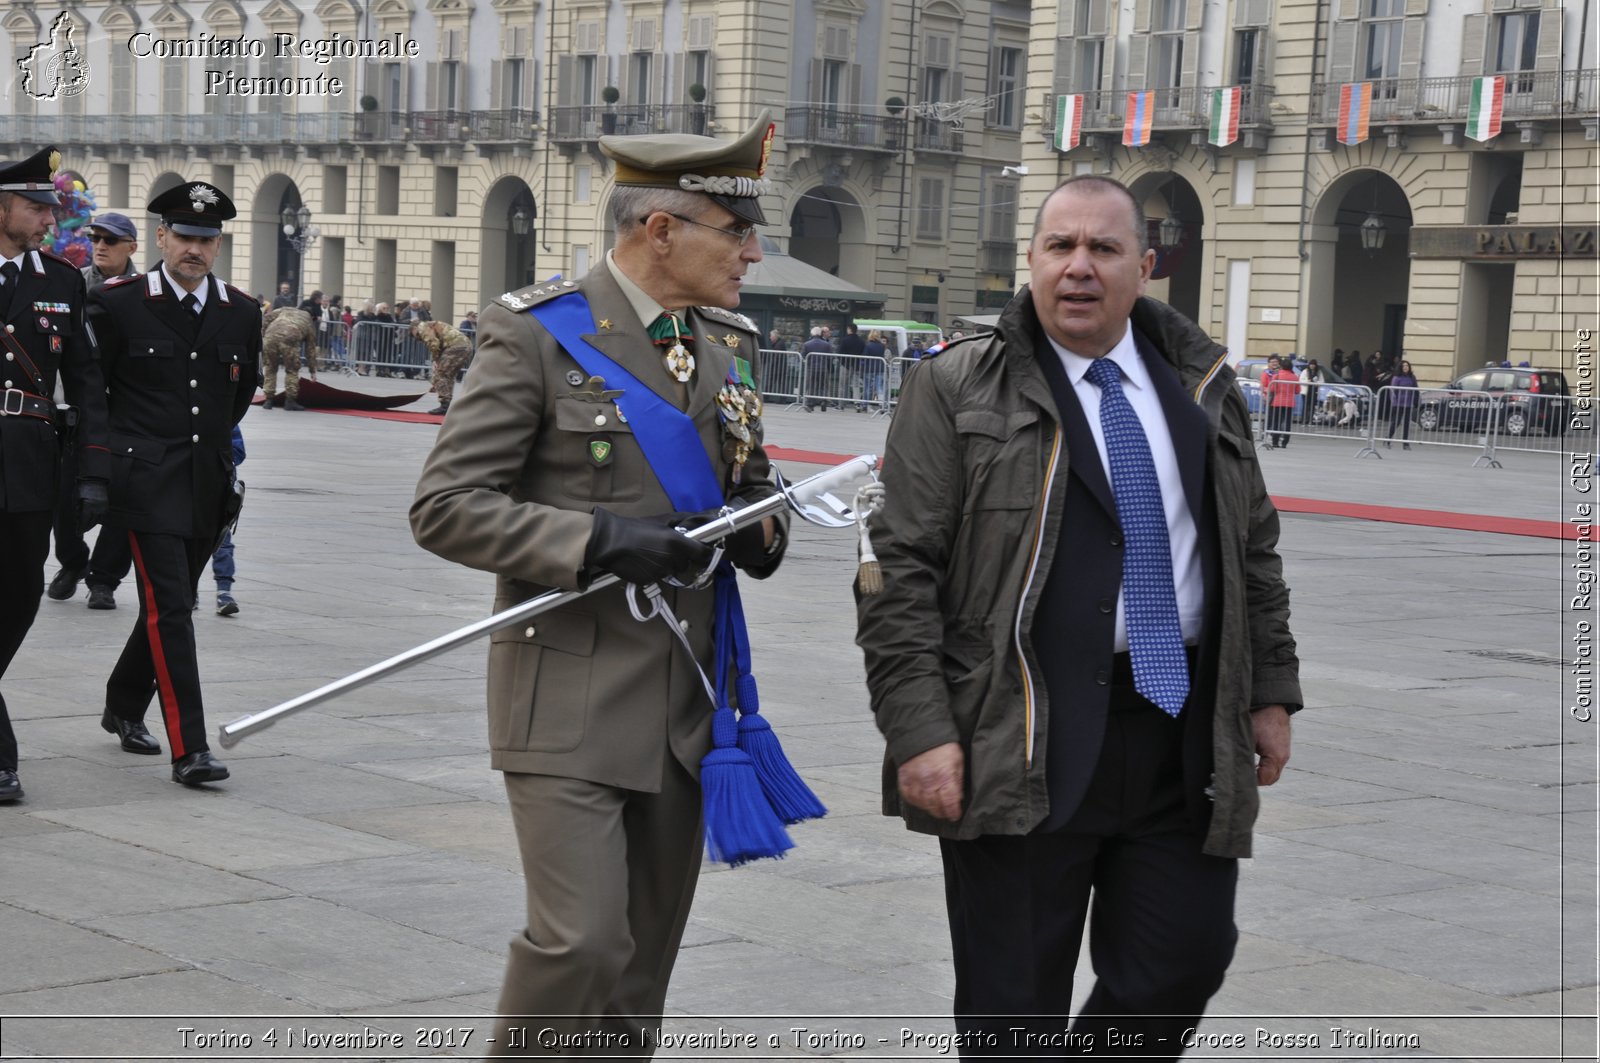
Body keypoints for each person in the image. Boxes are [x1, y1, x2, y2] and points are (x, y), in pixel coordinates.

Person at [856, 175, 1300, 1059]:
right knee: (1011, 1007)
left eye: (1103, 248)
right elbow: (897, 570)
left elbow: (1252, 550)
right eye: (1060, 247)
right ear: (1032, 261)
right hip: (1022, 731)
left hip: (1177, 726)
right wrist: (919, 730)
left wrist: (1271, 689)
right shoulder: (955, 385)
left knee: (1185, 958)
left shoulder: (1203, 382)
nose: (1079, 268)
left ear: (1145, 264)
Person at [411, 110, 790, 1058]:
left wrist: (762, 526)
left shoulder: (728, 344)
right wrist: (598, 539)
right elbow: (447, 505)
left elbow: (751, 481)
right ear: (659, 230)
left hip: (688, 702)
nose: (752, 249)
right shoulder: (535, 334)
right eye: (734, 229)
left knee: (638, 971)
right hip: (568, 693)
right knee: (581, 940)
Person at [88, 179, 260, 786]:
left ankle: (122, 702)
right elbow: (94, 395)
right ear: (160, 237)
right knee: (172, 611)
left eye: (206, 240)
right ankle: (189, 749)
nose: (195, 249)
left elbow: (236, 396)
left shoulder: (240, 311)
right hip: (145, 478)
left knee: (173, 604)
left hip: (206, 482)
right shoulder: (118, 303)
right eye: (185, 236)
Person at [0, 146, 111, 802]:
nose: (48, 217)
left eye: (50, 207)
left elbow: (89, 385)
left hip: (31, 462)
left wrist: (95, 471)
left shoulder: (62, 281)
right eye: (36, 206)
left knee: (19, 597)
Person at [49, 211, 140, 602]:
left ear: (131, 247)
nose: (100, 246)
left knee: (125, 499)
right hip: (77, 407)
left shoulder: (145, 292)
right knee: (63, 498)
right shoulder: (72, 284)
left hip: (127, 412)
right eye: (96, 238)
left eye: (111, 240)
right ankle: (72, 560)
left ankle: (103, 579)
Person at [210, 424, 245, 614]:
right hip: (187, 490)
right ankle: (189, 592)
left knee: (223, 541)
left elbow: (239, 451)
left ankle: (224, 591)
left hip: (219, 489)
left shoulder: (226, 418)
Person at [410, 316, 472, 416]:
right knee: (448, 375)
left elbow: (433, 343)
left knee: (441, 374)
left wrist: (435, 360)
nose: (418, 338)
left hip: (455, 346)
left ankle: (444, 405)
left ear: (414, 328)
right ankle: (446, 404)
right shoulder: (432, 325)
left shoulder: (421, 326)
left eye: (415, 335)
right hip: (465, 346)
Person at [260, 304, 315, 410]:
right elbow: (310, 349)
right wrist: (312, 370)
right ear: (312, 317)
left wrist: (263, 334)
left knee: (270, 368)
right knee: (292, 370)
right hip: (290, 338)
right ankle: (290, 401)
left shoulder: (284, 309)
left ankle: (268, 400)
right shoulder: (308, 320)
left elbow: (266, 318)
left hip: (270, 337)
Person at [1262, 354, 1298, 448]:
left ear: (1281, 366)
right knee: (1287, 422)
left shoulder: (1276, 377)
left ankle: (1275, 442)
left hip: (1277, 402)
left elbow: (1272, 389)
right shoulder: (1295, 377)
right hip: (1289, 403)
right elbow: (1297, 391)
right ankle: (1285, 442)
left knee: (1276, 422)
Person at [1385, 359, 1418, 449]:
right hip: (1398, 403)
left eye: (1407, 366)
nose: (1406, 367)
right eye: (1404, 366)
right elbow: (1393, 391)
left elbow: (1415, 388)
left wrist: (1416, 400)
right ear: (1400, 367)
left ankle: (1405, 443)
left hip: (1408, 403)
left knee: (1407, 423)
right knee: (1397, 422)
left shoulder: (1412, 377)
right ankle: (1388, 438)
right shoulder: (1397, 378)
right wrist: (1394, 402)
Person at [800, 325, 832, 411]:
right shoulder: (827, 345)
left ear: (812, 334)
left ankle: (810, 403)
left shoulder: (807, 344)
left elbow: (802, 357)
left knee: (811, 386)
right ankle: (823, 401)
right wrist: (829, 368)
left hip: (811, 368)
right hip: (823, 368)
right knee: (823, 386)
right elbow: (830, 358)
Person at [862, 328, 888, 407]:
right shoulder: (882, 346)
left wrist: (862, 366)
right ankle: (881, 404)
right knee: (879, 387)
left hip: (869, 368)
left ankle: (865, 404)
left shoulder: (868, 345)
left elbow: (864, 357)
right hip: (880, 368)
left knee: (867, 387)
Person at [1298, 358, 1324, 424]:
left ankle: (1310, 420)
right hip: (1306, 391)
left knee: (1312, 406)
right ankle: (1303, 420)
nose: (1312, 366)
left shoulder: (1318, 372)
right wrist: (1307, 381)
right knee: (1305, 406)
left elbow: (1322, 381)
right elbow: (1301, 380)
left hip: (1314, 391)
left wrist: (1317, 383)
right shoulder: (1305, 371)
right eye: (1311, 364)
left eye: (1313, 364)